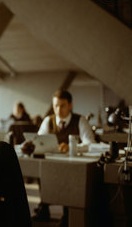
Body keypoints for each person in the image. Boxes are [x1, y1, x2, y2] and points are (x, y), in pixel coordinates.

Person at [32, 90, 96, 226]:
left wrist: (73, 147)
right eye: (56, 106)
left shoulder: (80, 120)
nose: (58, 110)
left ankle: (67, 214)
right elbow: (38, 139)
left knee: (70, 176)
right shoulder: (48, 120)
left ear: (70, 105)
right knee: (41, 170)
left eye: (62, 106)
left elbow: (91, 144)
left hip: (72, 164)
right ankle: (44, 208)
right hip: (51, 162)